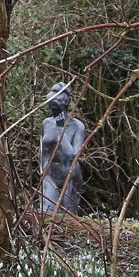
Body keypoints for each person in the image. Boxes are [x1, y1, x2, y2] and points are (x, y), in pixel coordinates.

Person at [40, 81, 86, 215]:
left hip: (70, 174)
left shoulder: (78, 127)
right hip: (50, 173)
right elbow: (43, 151)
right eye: (51, 107)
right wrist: (43, 170)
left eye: (56, 107)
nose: (53, 111)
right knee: (46, 213)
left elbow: (72, 156)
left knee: (68, 216)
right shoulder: (46, 123)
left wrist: (61, 130)